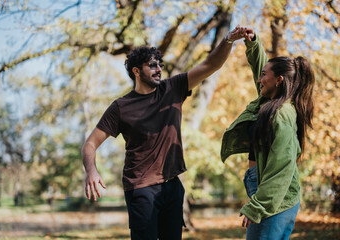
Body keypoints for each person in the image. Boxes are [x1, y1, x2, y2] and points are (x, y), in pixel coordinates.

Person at [82, 26, 243, 240]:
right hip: (141, 188)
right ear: (136, 71)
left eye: (160, 65)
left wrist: (228, 39)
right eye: (152, 65)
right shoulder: (121, 107)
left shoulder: (173, 88)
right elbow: (90, 144)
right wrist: (91, 171)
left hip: (172, 186)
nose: (159, 69)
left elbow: (210, 64)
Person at [221, 26, 314, 239]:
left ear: (279, 80)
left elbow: (281, 166)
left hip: (274, 197)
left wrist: (258, 206)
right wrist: (252, 44)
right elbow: (261, 69)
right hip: (264, 187)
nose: (259, 79)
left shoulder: (282, 113)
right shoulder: (271, 101)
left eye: (265, 76)